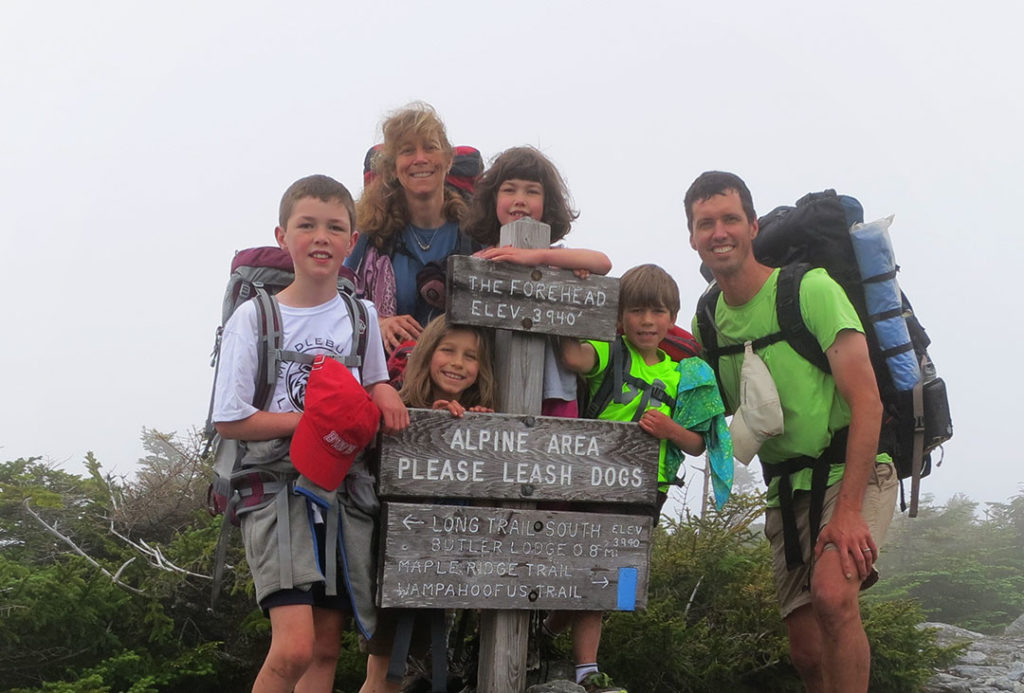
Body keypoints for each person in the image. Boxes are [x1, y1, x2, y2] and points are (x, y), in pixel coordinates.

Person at [684, 170, 899, 693]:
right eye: (705, 223)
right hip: (787, 487)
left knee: (832, 595)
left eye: (730, 218)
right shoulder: (709, 319)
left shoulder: (810, 289)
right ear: (692, 237)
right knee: (804, 650)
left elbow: (867, 401)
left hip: (855, 468)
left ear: (753, 226)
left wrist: (848, 513)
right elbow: (715, 423)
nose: (719, 232)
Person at [212, 175, 408, 693]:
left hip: (341, 490)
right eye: (307, 225)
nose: (321, 236)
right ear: (283, 235)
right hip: (275, 487)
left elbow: (372, 380)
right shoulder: (255, 318)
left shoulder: (361, 315)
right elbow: (230, 418)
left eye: (334, 227)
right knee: (294, 646)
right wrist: (311, 422)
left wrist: (385, 392)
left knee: (324, 649)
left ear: (351, 241)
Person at [557, 263, 711, 693]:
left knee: (619, 581)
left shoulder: (682, 373)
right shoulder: (609, 351)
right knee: (594, 570)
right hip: (597, 483)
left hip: (649, 490)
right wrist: (566, 297)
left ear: (672, 317)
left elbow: (698, 443)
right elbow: (572, 356)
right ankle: (587, 669)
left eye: (658, 312)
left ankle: (553, 628)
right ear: (620, 315)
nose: (647, 321)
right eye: (637, 310)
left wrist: (669, 430)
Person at [362, 314, 496, 692]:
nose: (457, 363)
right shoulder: (400, 405)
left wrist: (481, 434)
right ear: (427, 354)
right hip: (397, 559)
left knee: (402, 669)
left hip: (444, 564)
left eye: (470, 357)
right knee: (384, 669)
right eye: (448, 351)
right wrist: (427, 428)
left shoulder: (482, 416)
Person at [463, 145, 612, 417]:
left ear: (548, 203)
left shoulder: (555, 259)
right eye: (509, 189)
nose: (520, 199)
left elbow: (602, 263)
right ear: (492, 198)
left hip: (556, 392)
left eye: (532, 191)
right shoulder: (479, 261)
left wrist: (539, 257)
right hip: (489, 390)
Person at [347, 102, 476, 353]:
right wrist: (377, 322)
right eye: (407, 151)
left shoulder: (475, 233)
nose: (420, 159)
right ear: (393, 168)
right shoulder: (370, 237)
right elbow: (335, 300)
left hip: (461, 380)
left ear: (448, 160)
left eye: (430, 148)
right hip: (388, 378)